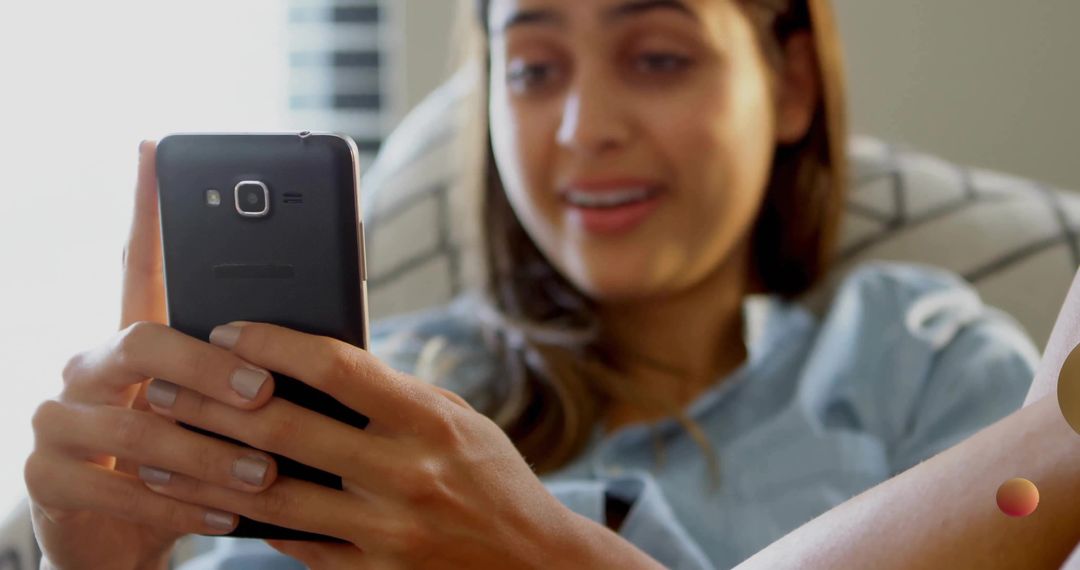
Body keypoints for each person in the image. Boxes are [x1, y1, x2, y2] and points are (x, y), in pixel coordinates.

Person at [24, 0, 1080, 568]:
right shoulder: (373, 384)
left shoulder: (923, 360)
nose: (585, 130)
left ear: (790, 80)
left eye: (658, 55)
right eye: (531, 69)